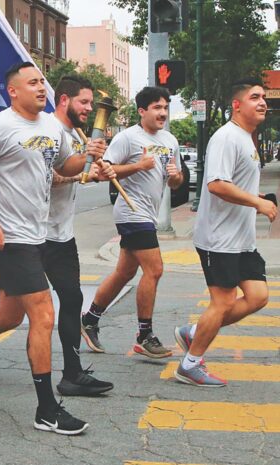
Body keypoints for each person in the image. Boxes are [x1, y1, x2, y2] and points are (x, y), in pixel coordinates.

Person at [0, 62, 112, 435]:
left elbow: (65, 164)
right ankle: (46, 409)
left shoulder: (49, 125)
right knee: (43, 315)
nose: (41, 88)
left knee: (10, 315)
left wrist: (89, 154)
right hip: (10, 236)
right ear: (13, 91)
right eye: (33, 83)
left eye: (42, 82)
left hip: (38, 234)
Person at [174, 78, 275, 387]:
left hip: (241, 240)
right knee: (223, 302)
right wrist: (258, 202)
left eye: (264, 98)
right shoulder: (226, 137)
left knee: (258, 296)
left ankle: (194, 332)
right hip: (219, 238)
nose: (262, 103)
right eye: (255, 97)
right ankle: (190, 364)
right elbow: (216, 184)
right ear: (237, 104)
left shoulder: (247, 138)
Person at [81, 86, 183, 359]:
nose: (162, 113)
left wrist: (174, 176)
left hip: (147, 214)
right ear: (142, 111)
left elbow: (176, 181)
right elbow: (103, 172)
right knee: (155, 270)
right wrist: (138, 166)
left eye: (165, 108)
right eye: (157, 108)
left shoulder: (170, 140)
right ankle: (144, 334)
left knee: (125, 272)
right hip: (131, 212)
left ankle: (90, 319)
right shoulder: (128, 138)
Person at [44, 76, 114, 396]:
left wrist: (100, 170)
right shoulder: (49, 130)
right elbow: (46, 176)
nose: (89, 108)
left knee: (72, 299)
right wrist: (81, 172)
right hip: (35, 234)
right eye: (84, 102)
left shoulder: (76, 133)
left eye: (90, 103)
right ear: (63, 100)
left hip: (62, 234)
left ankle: (72, 374)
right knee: (11, 310)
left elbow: (77, 170)